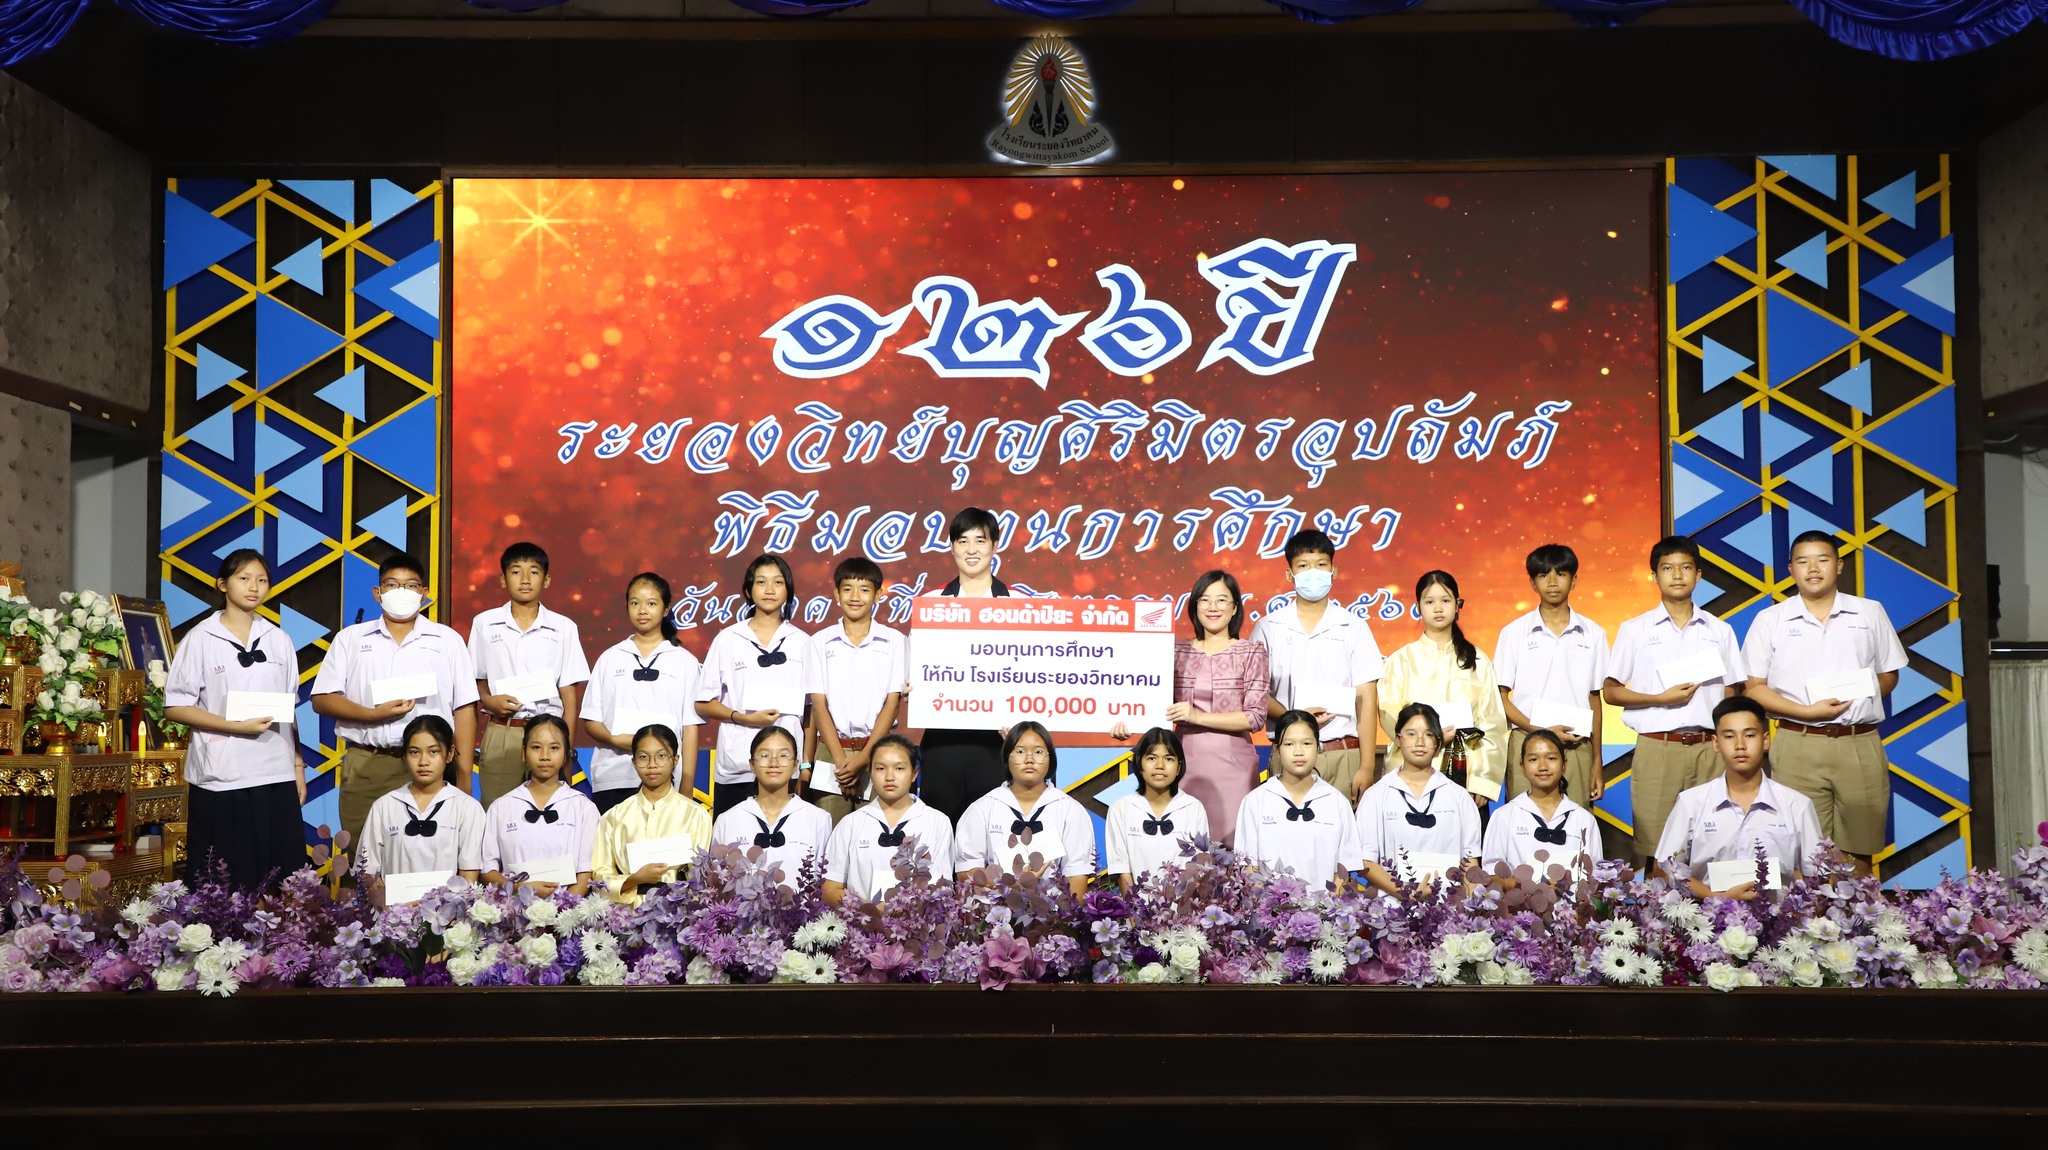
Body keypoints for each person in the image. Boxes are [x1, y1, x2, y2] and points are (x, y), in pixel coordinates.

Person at [1739, 531, 1907, 874]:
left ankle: (1854, 909)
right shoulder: (1770, 620)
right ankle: (1806, 911)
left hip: (1859, 742)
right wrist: (1806, 711)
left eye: (1823, 559)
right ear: (1791, 569)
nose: (1813, 568)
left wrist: (1859, 695)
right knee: (1800, 849)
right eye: (1803, 561)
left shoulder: (1869, 612)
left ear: (1839, 565)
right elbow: (1753, 688)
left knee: (1860, 849)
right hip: (1797, 743)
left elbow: (1889, 674)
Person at [311, 551, 479, 852]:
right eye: (392, 585)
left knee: (431, 855)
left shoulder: (447, 640)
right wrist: (371, 715)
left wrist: (464, 774)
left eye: (411, 586)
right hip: (369, 763)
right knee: (363, 858)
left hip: (432, 765)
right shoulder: (351, 639)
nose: (401, 592)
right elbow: (322, 699)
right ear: (378, 593)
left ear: (424, 594)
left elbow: (464, 707)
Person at [161, 549, 307, 890]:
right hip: (223, 775)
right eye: (244, 578)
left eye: (262, 580)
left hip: (275, 771)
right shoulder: (200, 638)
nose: (254, 587)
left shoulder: (278, 639)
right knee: (225, 876)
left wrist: (298, 767)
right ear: (223, 584)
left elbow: (289, 710)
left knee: (281, 878)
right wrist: (235, 726)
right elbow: (176, 706)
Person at [1603, 536, 1748, 868]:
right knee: (1657, 850)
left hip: (1708, 749)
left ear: (1699, 575)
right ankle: (1656, 903)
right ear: (1654, 576)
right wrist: (1659, 698)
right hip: (1658, 747)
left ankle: (1712, 904)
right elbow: (1611, 691)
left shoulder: (1720, 630)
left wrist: (1725, 740)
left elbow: (1732, 692)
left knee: (1714, 846)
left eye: (1686, 568)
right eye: (1668, 568)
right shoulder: (1635, 629)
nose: (1677, 575)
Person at [1112, 570, 1266, 847]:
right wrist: (1129, 723)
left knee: (1233, 850)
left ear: (1235, 608)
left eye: (1222, 600)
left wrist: (1197, 716)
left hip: (1235, 766)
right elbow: (1149, 702)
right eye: (1204, 600)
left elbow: (1255, 717)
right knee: (1181, 849)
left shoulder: (1251, 652)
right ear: (1194, 606)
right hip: (1183, 763)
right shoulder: (1174, 651)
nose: (1213, 607)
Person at [1493, 543, 1613, 853]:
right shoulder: (1513, 633)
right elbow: (1500, 698)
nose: (1552, 582)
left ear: (1574, 580)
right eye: (1544, 575)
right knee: (1522, 828)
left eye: (1561, 574)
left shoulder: (1594, 634)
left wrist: (1597, 762)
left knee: (1577, 830)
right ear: (1532, 583)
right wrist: (1538, 730)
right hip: (1527, 743)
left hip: (1577, 745)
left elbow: (1595, 700)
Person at [1250, 529, 1384, 803]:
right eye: (1303, 566)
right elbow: (1256, 693)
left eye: (1321, 564)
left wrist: (1367, 766)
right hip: (1288, 752)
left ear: (1334, 571)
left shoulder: (1354, 626)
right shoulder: (1268, 627)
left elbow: (1366, 698)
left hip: (1342, 755)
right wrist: (1297, 718)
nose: (1313, 573)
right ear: (1290, 574)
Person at [696, 554, 830, 818]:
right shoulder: (728, 638)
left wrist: (804, 766)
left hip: (786, 767)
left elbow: (811, 711)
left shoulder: (803, 642)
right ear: (748, 590)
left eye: (778, 582)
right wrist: (744, 718)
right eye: (761, 582)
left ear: (788, 590)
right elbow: (703, 702)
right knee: (732, 838)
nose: (769, 590)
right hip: (736, 766)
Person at [1653, 696, 1824, 899]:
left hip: (1778, 916)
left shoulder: (1797, 805)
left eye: (1749, 735)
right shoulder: (1691, 803)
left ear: (1766, 740)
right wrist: (1717, 899)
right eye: (1729, 736)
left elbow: (1817, 877)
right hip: (1706, 915)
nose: (1740, 745)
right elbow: (1665, 870)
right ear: (1716, 743)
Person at [468, 542, 590, 812]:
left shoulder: (563, 627)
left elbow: (569, 696)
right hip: (504, 730)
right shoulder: (484, 623)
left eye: (533, 572)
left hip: (549, 731)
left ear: (546, 580)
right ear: (503, 579)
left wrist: (566, 748)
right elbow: (475, 679)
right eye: (516, 572)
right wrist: (489, 700)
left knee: (550, 813)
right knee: (497, 811)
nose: (525, 579)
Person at [1376, 570, 1508, 809]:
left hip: (1466, 771)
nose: (1438, 608)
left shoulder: (1478, 661)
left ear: (1457, 605)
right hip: (1412, 773)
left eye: (1445, 600)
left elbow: (1493, 723)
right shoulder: (1400, 660)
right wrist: (1429, 738)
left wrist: (1483, 781)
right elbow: (1389, 714)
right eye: (1429, 602)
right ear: (1418, 607)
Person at [919, 507, 1014, 824]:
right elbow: (917, 666)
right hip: (943, 736)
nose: (971, 549)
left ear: (995, 546)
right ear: (952, 547)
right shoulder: (931, 604)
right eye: (963, 541)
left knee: (993, 832)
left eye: (980, 540)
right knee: (938, 830)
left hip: (996, 740)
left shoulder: (1018, 604)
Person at [581, 573, 704, 811]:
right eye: (635, 603)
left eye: (651, 603)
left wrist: (687, 786)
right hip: (614, 775)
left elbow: (690, 728)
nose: (642, 610)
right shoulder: (610, 658)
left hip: (667, 778)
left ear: (666, 609)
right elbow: (591, 720)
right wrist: (614, 739)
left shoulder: (685, 662)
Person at [810, 557, 907, 826]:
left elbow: (893, 702)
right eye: (847, 589)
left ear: (878, 594)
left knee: (877, 830)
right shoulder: (819, 642)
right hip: (831, 752)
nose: (855, 597)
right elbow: (819, 705)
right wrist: (842, 763)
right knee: (830, 833)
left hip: (878, 750)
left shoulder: (895, 641)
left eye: (864, 590)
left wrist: (864, 758)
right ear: (836, 594)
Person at [955, 721, 1096, 897]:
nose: (1029, 759)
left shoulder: (1071, 811)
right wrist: (1013, 883)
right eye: (1020, 751)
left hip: (1054, 911)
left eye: (1038, 752)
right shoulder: (981, 809)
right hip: (994, 911)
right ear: (1007, 757)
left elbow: (1077, 880)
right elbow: (967, 874)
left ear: (1050, 758)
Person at [355, 715, 485, 903]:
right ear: (404, 756)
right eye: (415, 752)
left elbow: (469, 876)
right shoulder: (384, 806)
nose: (423, 761)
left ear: (449, 754)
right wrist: (390, 909)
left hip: (448, 916)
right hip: (392, 914)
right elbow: (367, 872)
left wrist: (449, 911)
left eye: (433, 752)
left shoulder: (467, 808)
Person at [1356, 704, 1481, 897]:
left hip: (1447, 906)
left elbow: (1470, 861)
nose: (1420, 742)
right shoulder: (1376, 796)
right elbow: (1367, 862)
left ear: (1438, 743)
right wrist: (1407, 895)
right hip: (1392, 906)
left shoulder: (1459, 796)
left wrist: (1473, 905)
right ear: (1398, 739)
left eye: (1429, 734)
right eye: (1411, 734)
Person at [1234, 709, 1364, 890]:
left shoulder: (1337, 802)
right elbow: (1248, 867)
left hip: (1325, 906)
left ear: (1318, 747)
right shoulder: (1255, 801)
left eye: (1307, 743)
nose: (1298, 752)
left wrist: (1329, 904)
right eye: (1289, 744)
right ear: (1278, 750)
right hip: (1270, 905)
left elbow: (1347, 869)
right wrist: (1268, 904)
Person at [822, 734, 955, 906]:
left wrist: (905, 910)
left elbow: (942, 889)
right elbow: (830, 889)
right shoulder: (851, 823)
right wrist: (867, 910)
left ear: (914, 773)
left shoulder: (938, 822)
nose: (889, 776)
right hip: (862, 921)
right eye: (880, 768)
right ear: (870, 772)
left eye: (899, 768)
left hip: (917, 921)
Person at [591, 724, 713, 906]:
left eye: (661, 756)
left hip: (677, 912)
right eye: (643, 757)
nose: (652, 764)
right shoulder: (613, 817)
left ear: (675, 759)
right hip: (627, 913)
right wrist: (634, 879)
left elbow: (700, 877)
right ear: (634, 762)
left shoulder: (696, 814)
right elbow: (599, 877)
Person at [481, 714, 597, 897]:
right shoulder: (500, 807)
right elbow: (488, 870)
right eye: (536, 747)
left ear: (566, 754)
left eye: (554, 748)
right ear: (523, 753)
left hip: (568, 911)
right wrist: (518, 889)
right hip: (512, 909)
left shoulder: (584, 808)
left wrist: (564, 908)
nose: (544, 756)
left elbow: (585, 875)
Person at [709, 725, 834, 887]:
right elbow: (716, 882)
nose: (774, 762)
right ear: (752, 764)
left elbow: (826, 882)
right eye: (764, 755)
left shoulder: (818, 819)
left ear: (795, 765)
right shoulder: (727, 820)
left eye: (783, 755)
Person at [1480, 729, 1601, 882]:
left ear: (1564, 764)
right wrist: (1522, 888)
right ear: (1522, 766)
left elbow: (1596, 876)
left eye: (1551, 758)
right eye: (1533, 759)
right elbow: (1492, 873)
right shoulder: (1504, 816)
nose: (1543, 766)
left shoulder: (1584, 819)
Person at [1103, 727, 1210, 891]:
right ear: (1139, 764)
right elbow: (1122, 870)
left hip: (1183, 905)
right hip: (1135, 904)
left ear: (1179, 767)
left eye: (1168, 759)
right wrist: (1134, 907)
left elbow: (1199, 868)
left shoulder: (1193, 808)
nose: (1160, 765)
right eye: (1152, 758)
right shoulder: (1121, 808)